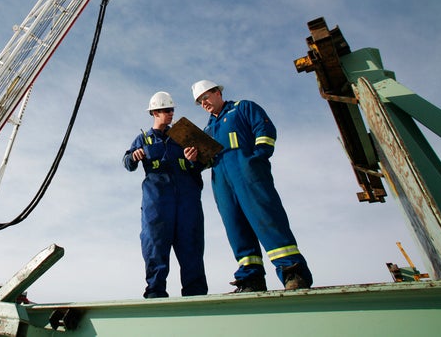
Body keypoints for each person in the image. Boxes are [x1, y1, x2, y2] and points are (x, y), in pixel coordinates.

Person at [190, 79, 313, 292]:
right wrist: (194, 159)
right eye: (200, 101)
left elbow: (264, 129)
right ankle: (251, 279)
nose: (204, 103)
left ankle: (293, 272)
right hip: (222, 183)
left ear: (217, 92)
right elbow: (206, 162)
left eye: (205, 97)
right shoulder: (207, 129)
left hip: (249, 174)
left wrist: (256, 160)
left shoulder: (243, 107)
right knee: (236, 228)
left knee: (267, 220)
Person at [123, 91, 209, 298]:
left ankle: (196, 293)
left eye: (171, 110)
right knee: (154, 244)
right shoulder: (142, 139)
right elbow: (127, 163)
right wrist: (133, 157)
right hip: (157, 201)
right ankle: (155, 292)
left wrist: (193, 160)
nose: (170, 114)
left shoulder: (183, 135)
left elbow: (204, 163)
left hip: (187, 200)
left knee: (191, 244)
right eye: (165, 110)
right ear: (154, 113)